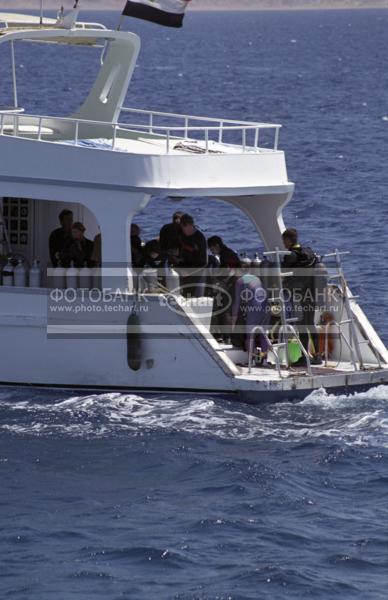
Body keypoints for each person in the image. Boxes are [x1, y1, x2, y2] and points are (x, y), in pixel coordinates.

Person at [282, 228, 323, 365]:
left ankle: (304, 357)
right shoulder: (308, 253)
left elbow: (282, 272)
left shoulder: (291, 255)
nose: (283, 244)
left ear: (288, 240)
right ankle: (317, 356)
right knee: (310, 324)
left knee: (301, 325)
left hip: (299, 294)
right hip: (312, 293)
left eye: (284, 241)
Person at [231, 259, 270, 362]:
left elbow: (236, 303)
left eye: (235, 271)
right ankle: (264, 361)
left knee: (250, 335)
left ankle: (251, 361)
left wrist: (233, 322)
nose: (234, 273)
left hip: (254, 308)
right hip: (265, 306)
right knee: (262, 334)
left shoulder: (240, 281)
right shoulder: (256, 278)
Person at [208, 236, 241, 343]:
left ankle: (227, 336)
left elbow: (227, 272)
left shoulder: (225, 255)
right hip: (235, 281)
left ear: (216, 246)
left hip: (233, 283)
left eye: (211, 248)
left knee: (225, 309)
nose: (211, 251)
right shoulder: (227, 253)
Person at [179, 214, 207, 297]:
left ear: (190, 225)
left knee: (196, 299)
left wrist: (189, 273)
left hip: (198, 272)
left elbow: (204, 262)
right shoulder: (181, 234)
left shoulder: (200, 238)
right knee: (184, 297)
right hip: (184, 271)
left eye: (184, 229)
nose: (184, 231)